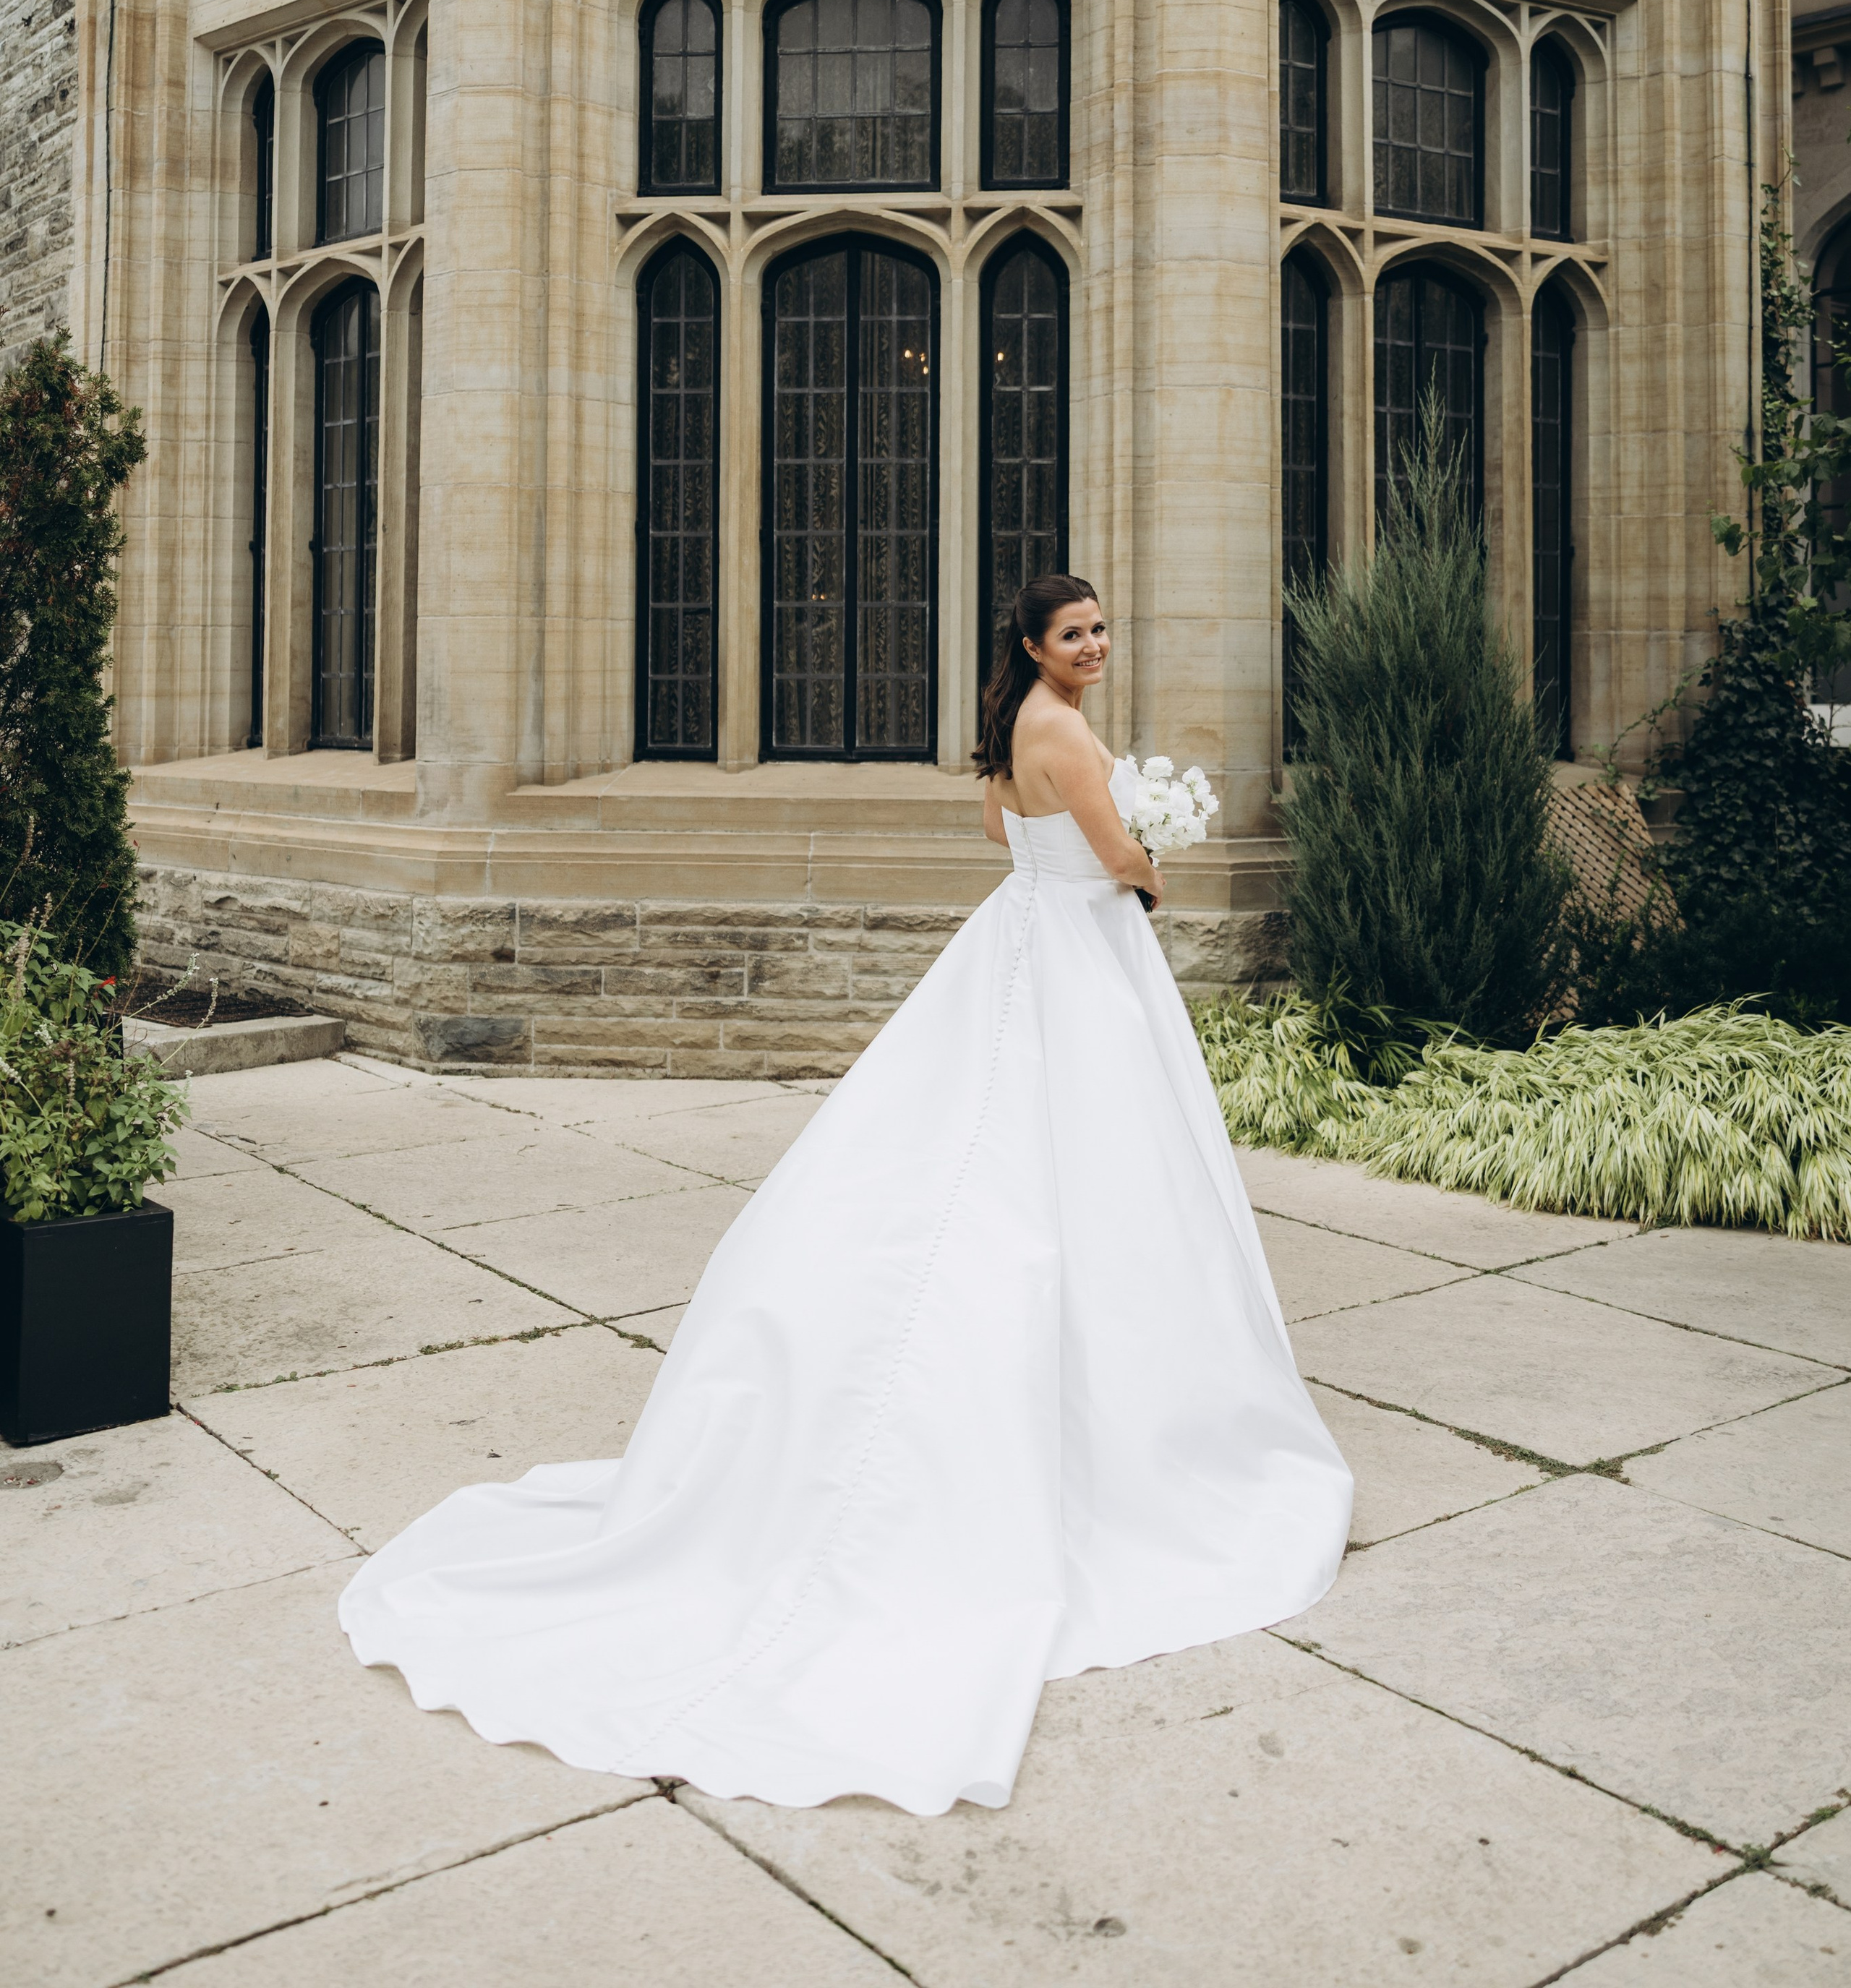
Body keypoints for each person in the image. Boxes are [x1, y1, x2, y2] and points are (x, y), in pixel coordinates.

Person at [339, 575, 1352, 1814]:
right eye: (1074, 633)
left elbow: (1003, 836)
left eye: (1100, 630)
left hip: (1023, 937)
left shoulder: (1012, 728)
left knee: (994, 1144)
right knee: (1064, 1167)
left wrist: (1101, 836)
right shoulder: (1061, 728)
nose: (1094, 647)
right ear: (1034, 645)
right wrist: (1154, 858)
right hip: (1078, 953)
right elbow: (1113, 852)